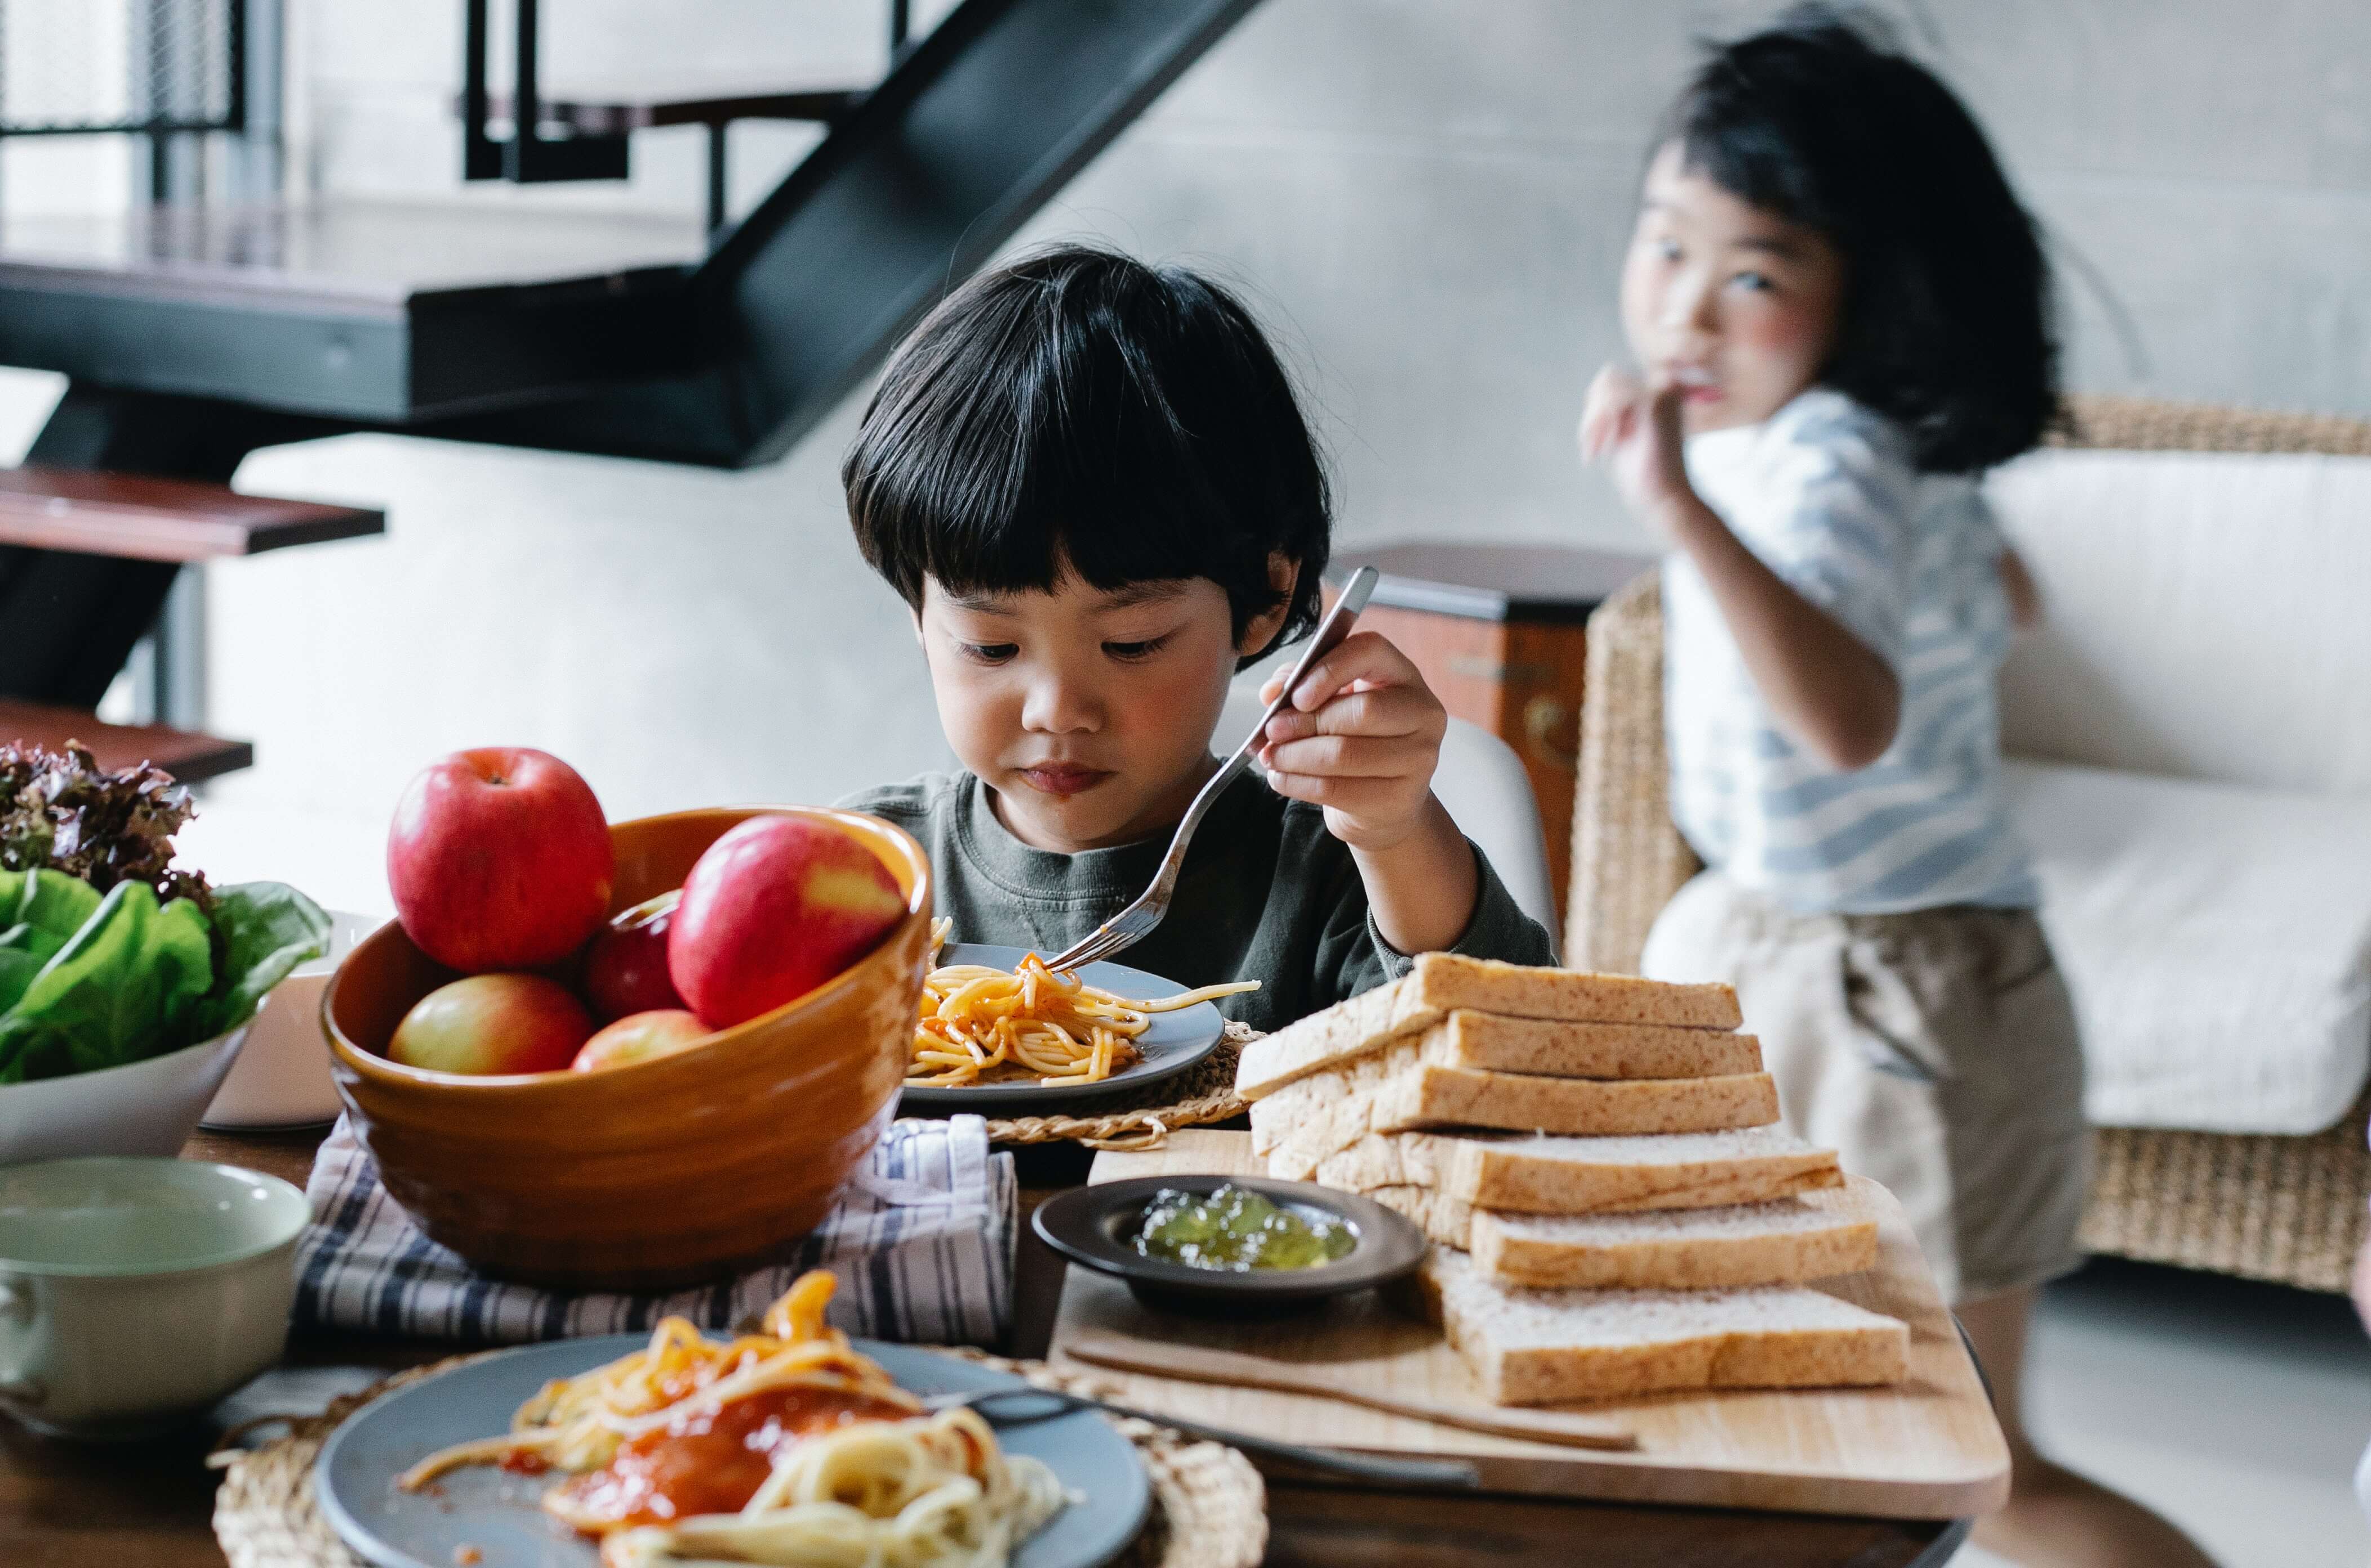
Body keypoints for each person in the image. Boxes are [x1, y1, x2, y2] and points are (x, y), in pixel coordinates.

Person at [1579, 12, 2212, 1566]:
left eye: (1755, 276)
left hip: (1907, 988)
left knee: (1967, 1454)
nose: (1685, 312)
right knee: (1787, 1401)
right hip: (1787, 943)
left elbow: (1848, 719)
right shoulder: (1819, 441)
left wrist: (1672, 508)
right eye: (1664, 247)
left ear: (1869, 299)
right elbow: (2007, 602)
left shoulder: (1833, 455)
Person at [838, 245, 1553, 1031]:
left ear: (1265, 601)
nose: (1058, 711)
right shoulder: (862, 871)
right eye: (989, 647)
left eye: (1132, 643)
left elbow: (1518, 1053)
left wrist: (1395, 834)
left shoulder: (1328, 877)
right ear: (917, 611)